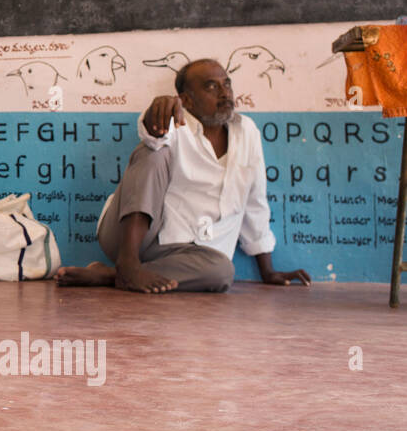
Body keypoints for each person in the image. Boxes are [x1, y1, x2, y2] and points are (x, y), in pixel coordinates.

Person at [56, 58, 312, 293]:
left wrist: (267, 271)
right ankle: (128, 262)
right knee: (152, 153)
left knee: (223, 273)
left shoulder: (248, 132)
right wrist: (157, 113)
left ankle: (113, 276)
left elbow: (255, 202)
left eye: (227, 84)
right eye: (211, 87)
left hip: (190, 255)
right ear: (186, 100)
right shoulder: (171, 121)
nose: (224, 93)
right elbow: (151, 134)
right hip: (131, 237)